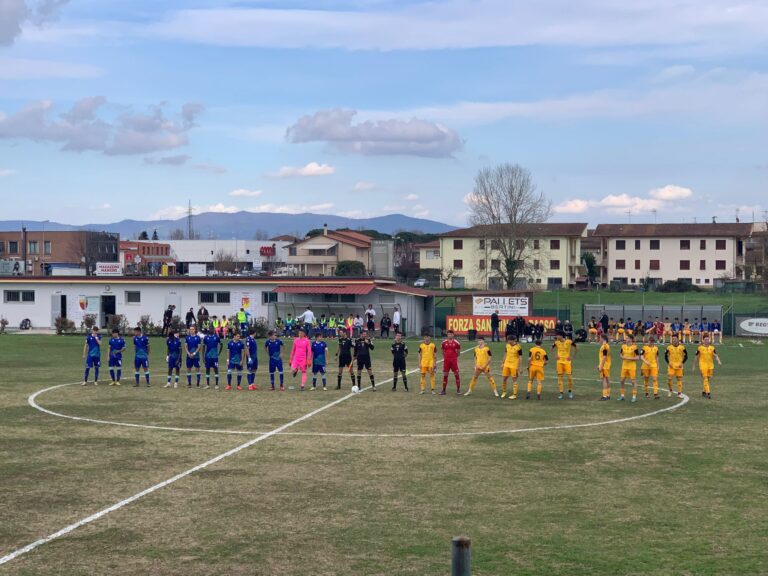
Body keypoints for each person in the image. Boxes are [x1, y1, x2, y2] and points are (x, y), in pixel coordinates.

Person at [694, 334, 721, 399]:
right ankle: (708, 392)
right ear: (703, 340)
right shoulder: (700, 348)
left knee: (708, 379)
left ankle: (704, 391)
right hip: (702, 365)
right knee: (705, 378)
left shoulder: (712, 348)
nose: (706, 341)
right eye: (705, 340)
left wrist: (718, 361)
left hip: (710, 365)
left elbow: (715, 355)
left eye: (707, 340)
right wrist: (694, 365)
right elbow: (696, 356)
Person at [552, 331, 577, 399]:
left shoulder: (569, 341)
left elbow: (576, 348)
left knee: (569, 378)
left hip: (567, 362)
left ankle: (570, 391)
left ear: (561, 336)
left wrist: (572, 357)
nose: (556, 337)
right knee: (560, 377)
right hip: (559, 362)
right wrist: (555, 356)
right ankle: (561, 393)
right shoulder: (556, 342)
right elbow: (552, 349)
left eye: (557, 335)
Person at [665, 334, 687, 399]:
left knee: (679, 379)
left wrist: (682, 363)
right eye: (673, 339)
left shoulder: (682, 347)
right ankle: (670, 390)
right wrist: (669, 363)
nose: (674, 340)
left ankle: (679, 393)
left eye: (675, 339)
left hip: (679, 366)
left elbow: (686, 356)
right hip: (671, 366)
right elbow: (665, 356)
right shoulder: (669, 347)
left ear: (678, 339)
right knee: (669, 379)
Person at [619, 334, 639, 402]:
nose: (626, 339)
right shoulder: (623, 346)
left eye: (627, 338)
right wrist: (622, 357)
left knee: (633, 382)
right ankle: (622, 396)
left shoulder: (635, 347)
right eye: (626, 338)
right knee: (621, 381)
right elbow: (621, 355)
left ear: (631, 339)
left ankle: (634, 396)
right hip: (624, 366)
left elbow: (637, 357)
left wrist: (629, 358)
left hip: (632, 366)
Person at [501, 335, 522, 400]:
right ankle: (504, 392)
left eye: (509, 340)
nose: (508, 341)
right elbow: (505, 354)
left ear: (513, 340)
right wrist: (502, 363)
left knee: (514, 380)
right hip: (506, 364)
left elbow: (520, 357)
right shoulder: (507, 345)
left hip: (514, 365)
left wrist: (520, 367)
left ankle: (514, 394)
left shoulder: (518, 347)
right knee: (504, 378)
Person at [441, 329, 461, 395]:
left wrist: (453, 357)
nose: (450, 335)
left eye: (451, 334)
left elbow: (458, 353)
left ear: (453, 335)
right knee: (445, 375)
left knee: (456, 375)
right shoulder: (443, 343)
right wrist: (446, 357)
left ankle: (458, 390)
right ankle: (443, 390)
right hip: (446, 362)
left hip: (453, 362)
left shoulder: (457, 343)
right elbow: (442, 352)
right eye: (448, 334)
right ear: (447, 335)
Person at [598, 333, 612, 401]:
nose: (599, 339)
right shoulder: (606, 346)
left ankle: (605, 395)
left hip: (604, 366)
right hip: (606, 365)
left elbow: (604, 357)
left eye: (600, 337)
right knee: (607, 380)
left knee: (604, 380)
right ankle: (608, 395)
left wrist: (601, 366)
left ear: (602, 338)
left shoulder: (605, 346)